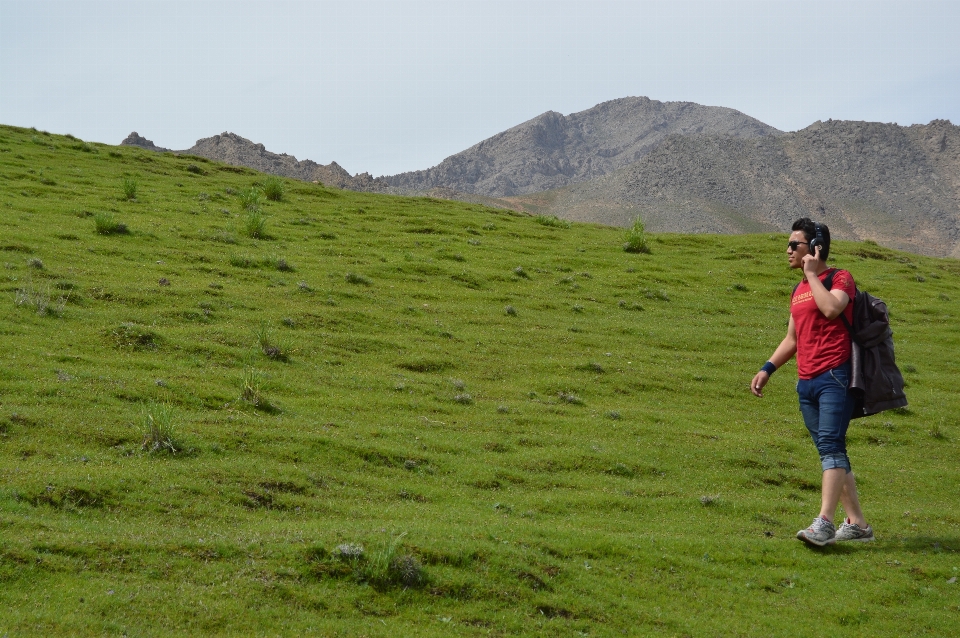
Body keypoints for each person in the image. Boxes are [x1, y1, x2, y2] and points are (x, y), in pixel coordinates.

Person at [750, 218, 874, 546]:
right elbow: (792, 338)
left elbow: (833, 308)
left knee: (831, 446)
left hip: (835, 376)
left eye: (796, 245)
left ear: (816, 248)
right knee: (829, 449)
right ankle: (859, 525)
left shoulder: (840, 278)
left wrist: (811, 273)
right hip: (806, 382)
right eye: (788, 245)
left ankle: (824, 524)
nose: (788, 250)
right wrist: (768, 368)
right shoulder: (798, 290)